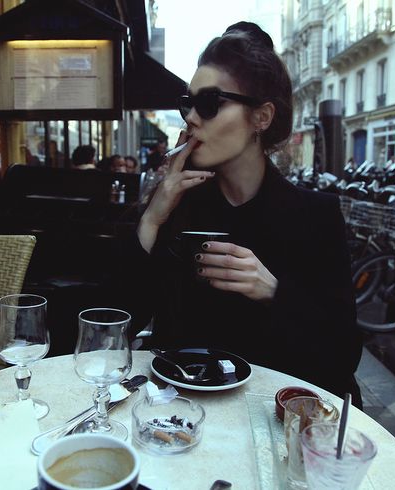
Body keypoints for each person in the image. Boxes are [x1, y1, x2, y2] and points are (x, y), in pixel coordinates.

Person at [115, 21, 362, 406]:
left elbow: (341, 358)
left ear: (261, 118)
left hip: (268, 423)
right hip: (178, 420)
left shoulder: (313, 216)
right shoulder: (179, 206)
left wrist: (272, 292)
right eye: (188, 103)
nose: (191, 118)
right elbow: (114, 328)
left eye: (210, 103)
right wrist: (151, 220)